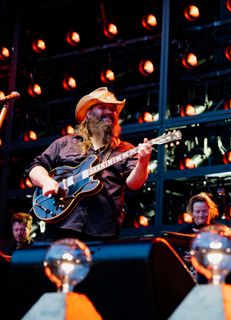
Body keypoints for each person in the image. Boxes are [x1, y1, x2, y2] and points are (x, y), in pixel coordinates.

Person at [26, 87, 152, 241]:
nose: (109, 111)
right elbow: (35, 167)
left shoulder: (126, 150)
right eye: (102, 107)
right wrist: (46, 182)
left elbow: (134, 184)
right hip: (62, 225)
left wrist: (143, 161)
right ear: (89, 114)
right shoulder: (66, 143)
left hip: (102, 230)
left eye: (113, 109)